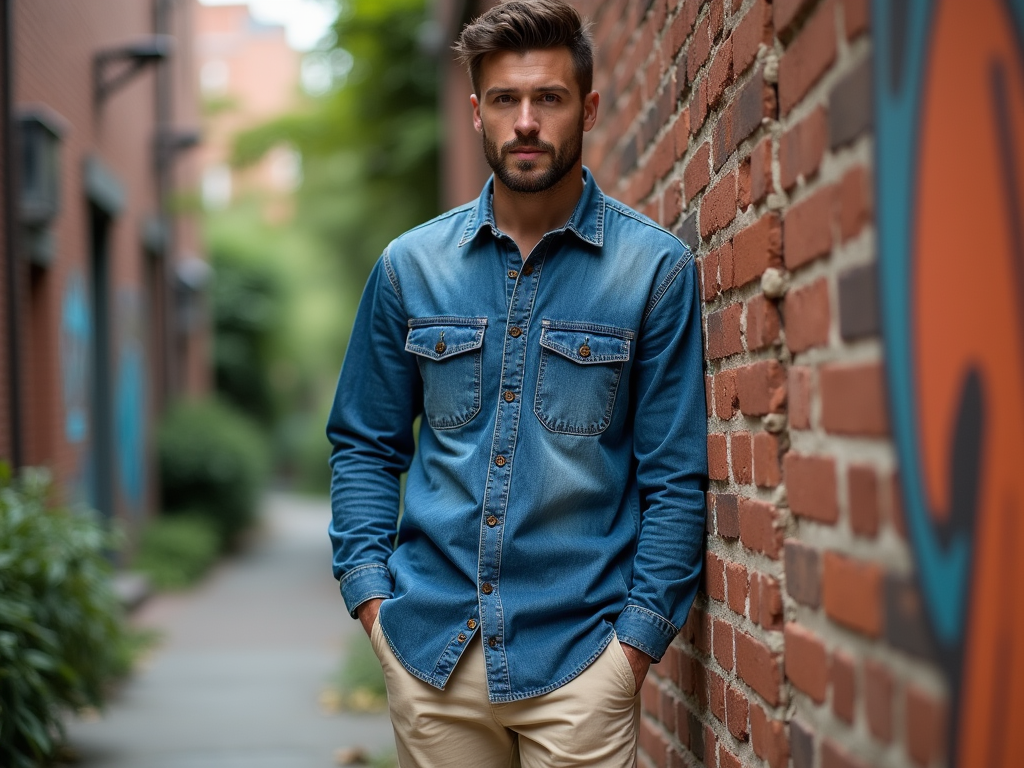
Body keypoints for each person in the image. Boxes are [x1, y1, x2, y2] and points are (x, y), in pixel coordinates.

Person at [326, 1, 707, 765]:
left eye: (550, 98)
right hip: (432, 658)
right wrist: (374, 606)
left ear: (589, 107)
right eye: (505, 100)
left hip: (580, 666)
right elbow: (364, 445)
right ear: (476, 112)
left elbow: (676, 478)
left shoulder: (652, 272)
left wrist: (631, 653)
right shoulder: (411, 268)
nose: (525, 121)